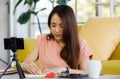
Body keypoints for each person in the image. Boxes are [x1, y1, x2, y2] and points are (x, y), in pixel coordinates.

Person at [21, 5, 93, 75]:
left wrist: (65, 70)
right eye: (53, 25)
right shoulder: (42, 40)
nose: (57, 30)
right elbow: (25, 64)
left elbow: (86, 71)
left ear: (70, 26)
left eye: (62, 26)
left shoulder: (80, 43)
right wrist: (28, 67)